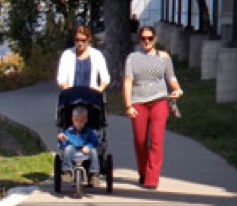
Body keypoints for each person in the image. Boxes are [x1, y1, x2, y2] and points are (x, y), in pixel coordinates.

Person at [123, 25, 184, 190]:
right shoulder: (132, 58)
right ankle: (143, 172)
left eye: (150, 38)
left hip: (159, 101)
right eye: (143, 38)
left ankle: (152, 178)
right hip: (138, 102)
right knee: (140, 140)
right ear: (139, 39)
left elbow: (171, 78)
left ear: (155, 39)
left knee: (156, 140)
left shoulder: (163, 57)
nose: (147, 41)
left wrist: (177, 89)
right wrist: (128, 105)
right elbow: (128, 82)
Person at [56, 25, 111, 92]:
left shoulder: (97, 55)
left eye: (83, 40)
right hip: (72, 96)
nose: (80, 43)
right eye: (77, 40)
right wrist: (69, 90)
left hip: (91, 96)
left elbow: (105, 78)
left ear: (89, 39)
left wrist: (99, 89)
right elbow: (61, 79)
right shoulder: (67, 54)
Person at [57, 105, 101, 177]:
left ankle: (94, 172)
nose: (78, 123)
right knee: (68, 149)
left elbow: (94, 142)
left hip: (85, 150)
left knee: (94, 151)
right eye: (76, 121)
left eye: (81, 121)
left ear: (86, 120)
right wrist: (63, 139)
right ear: (72, 119)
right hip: (73, 149)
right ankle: (67, 170)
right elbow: (65, 142)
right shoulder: (69, 131)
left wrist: (88, 146)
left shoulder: (89, 131)